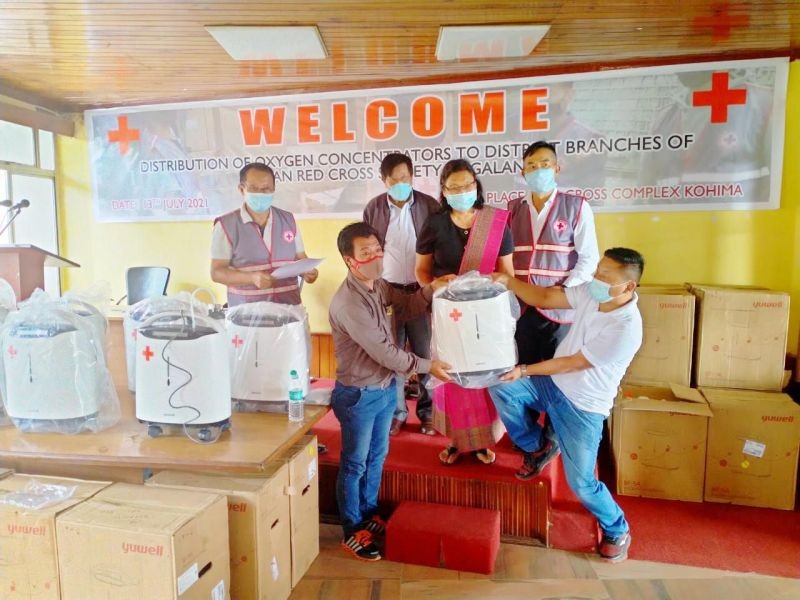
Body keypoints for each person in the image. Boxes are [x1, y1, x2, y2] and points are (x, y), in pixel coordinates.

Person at [488, 247, 644, 563]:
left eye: (605, 275)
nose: (596, 278)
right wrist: (507, 280)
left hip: (583, 407)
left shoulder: (626, 327)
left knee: (582, 484)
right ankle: (538, 445)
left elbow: (574, 363)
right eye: (598, 269)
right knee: (502, 388)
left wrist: (525, 369)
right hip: (554, 385)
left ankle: (617, 528)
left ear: (628, 287)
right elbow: (546, 298)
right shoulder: (591, 292)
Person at [329, 222, 452, 562]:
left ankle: (368, 513)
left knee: (377, 457)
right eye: (366, 252)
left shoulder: (379, 286)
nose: (375, 257)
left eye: (377, 249)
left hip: (384, 389)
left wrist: (432, 289)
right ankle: (352, 530)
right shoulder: (349, 303)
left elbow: (408, 306)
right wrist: (429, 366)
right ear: (349, 259)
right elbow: (386, 353)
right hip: (358, 395)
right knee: (354, 464)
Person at [415, 159, 515, 466]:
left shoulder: (496, 222)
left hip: (487, 315)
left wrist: (489, 286)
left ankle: (483, 441)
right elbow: (421, 271)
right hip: (449, 314)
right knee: (454, 376)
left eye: (467, 185)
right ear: (443, 191)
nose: (462, 191)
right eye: (454, 187)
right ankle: (458, 442)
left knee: (484, 374)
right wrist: (435, 284)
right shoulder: (435, 223)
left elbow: (507, 274)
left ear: (477, 186)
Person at [508, 140, 599, 462]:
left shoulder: (576, 206)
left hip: (560, 309)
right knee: (524, 371)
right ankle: (531, 438)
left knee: (558, 375)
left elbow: (589, 259)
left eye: (544, 164)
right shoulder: (512, 210)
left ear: (557, 169)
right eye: (531, 165)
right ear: (522, 171)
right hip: (521, 308)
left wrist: (567, 291)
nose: (538, 170)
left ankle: (555, 435)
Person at [363, 152, 440, 436]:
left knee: (425, 353)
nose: (401, 183)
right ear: (384, 181)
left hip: (421, 292)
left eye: (405, 178)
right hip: (388, 293)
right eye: (394, 179)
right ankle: (397, 413)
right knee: (393, 355)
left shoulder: (429, 206)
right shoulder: (373, 209)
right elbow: (369, 252)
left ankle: (428, 412)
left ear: (412, 176)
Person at [210, 163, 318, 306]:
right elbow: (216, 272)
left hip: (288, 313)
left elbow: (302, 259)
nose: (261, 193)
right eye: (254, 189)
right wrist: (251, 278)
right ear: (242, 189)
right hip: (246, 316)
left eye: (266, 189)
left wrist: (309, 273)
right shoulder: (226, 225)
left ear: (274, 190)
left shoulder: (288, 220)